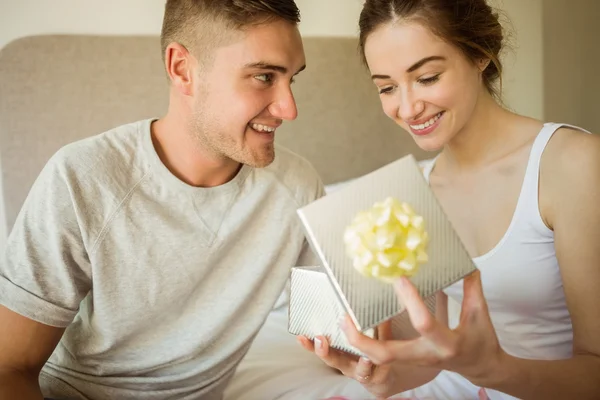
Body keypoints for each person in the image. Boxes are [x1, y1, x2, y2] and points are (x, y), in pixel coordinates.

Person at [0, 1, 324, 399]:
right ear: (182, 68)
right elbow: (9, 367)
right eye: (263, 77)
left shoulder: (298, 187)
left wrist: (365, 345)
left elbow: (324, 327)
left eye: (292, 79)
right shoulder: (82, 178)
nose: (289, 108)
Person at [298, 0, 600, 399]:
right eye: (386, 88)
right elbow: (432, 361)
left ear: (479, 55)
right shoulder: (416, 191)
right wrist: (379, 376)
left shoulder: (573, 163)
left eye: (426, 77)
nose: (406, 108)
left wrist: (496, 371)